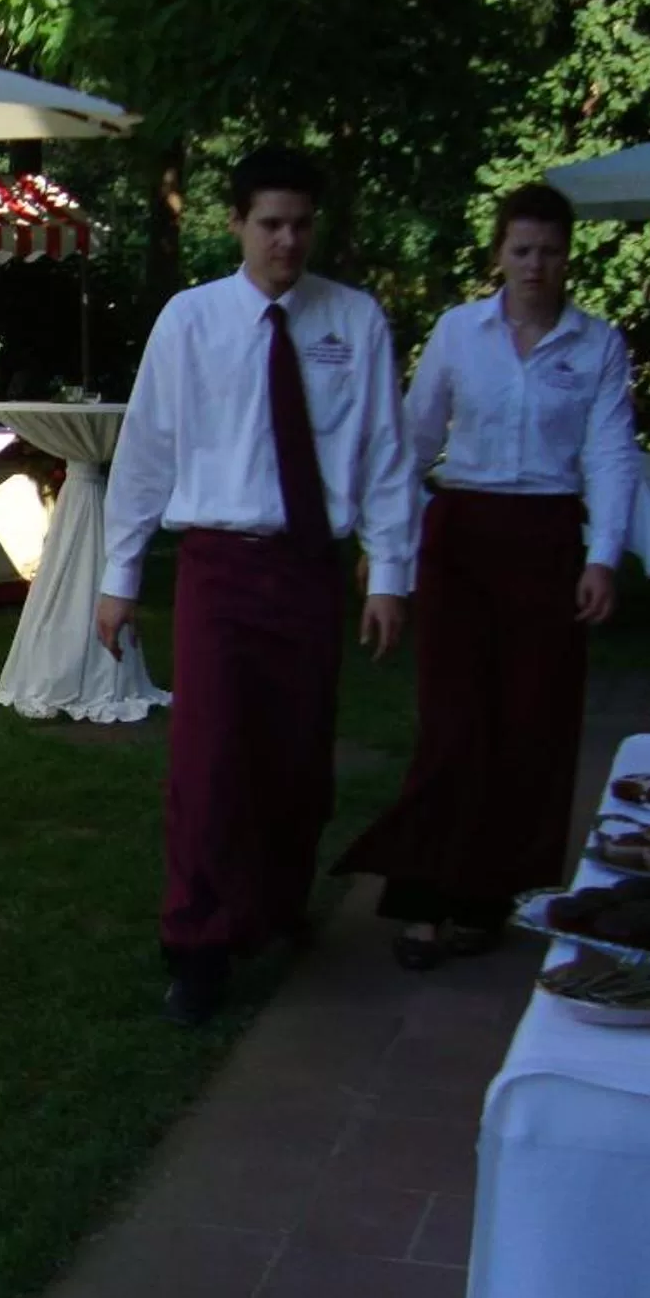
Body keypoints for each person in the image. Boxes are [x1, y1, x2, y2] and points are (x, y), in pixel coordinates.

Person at [94, 147, 418, 1027]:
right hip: (219, 566)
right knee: (208, 761)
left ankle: (273, 904)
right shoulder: (191, 321)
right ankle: (196, 942)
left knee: (296, 759)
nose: (287, 242)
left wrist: (390, 573)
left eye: (301, 225)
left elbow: (387, 453)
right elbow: (148, 449)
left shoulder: (354, 321)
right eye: (270, 224)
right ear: (235, 222)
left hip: (309, 568)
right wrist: (120, 577)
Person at [334, 182, 639, 967]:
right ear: (499, 253)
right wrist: (387, 543)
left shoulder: (597, 345)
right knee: (453, 723)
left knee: (531, 725)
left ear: (569, 257)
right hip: (462, 537)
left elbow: (611, 453)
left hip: (547, 538)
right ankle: (422, 903)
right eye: (522, 249)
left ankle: (488, 896)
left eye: (550, 251)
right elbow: (412, 439)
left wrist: (603, 555)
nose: (536, 265)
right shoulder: (458, 332)